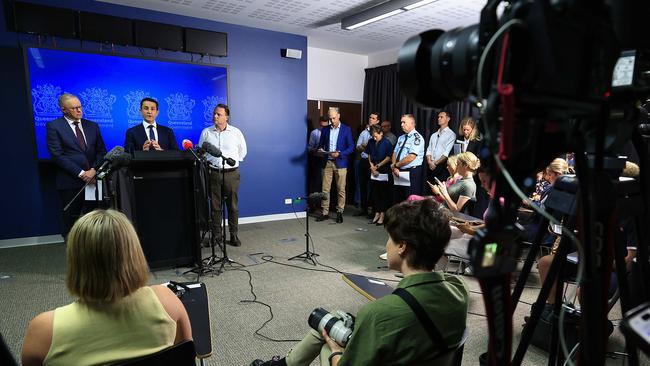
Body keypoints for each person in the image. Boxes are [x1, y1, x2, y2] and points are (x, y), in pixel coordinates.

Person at [251, 198, 468, 366]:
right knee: (335, 318)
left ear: (402, 246)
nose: (387, 245)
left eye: (390, 238)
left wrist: (335, 349)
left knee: (326, 334)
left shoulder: (379, 313)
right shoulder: (459, 290)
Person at [21, 210, 192, 366]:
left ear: (76, 260)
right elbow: (185, 357)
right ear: (135, 254)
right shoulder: (167, 301)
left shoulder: (43, 331)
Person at [46, 93, 107, 240]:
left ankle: (92, 246)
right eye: (74, 108)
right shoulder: (54, 126)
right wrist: (81, 173)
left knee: (93, 217)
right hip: (70, 181)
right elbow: (57, 156)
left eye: (80, 107)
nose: (79, 110)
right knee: (70, 219)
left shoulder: (92, 126)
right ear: (64, 110)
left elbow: (101, 151)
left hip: (93, 179)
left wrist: (93, 170)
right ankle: (72, 249)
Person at [198, 103, 247, 246]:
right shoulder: (206, 132)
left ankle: (233, 235)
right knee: (215, 207)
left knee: (232, 206)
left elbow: (242, 151)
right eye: (214, 113)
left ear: (226, 117)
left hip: (231, 174)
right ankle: (217, 237)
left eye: (219, 114)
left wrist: (231, 163)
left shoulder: (236, 132)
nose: (215, 116)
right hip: (213, 173)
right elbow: (202, 151)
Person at [316, 107, 354, 224]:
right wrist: (321, 150)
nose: (332, 120)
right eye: (330, 118)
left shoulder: (346, 129)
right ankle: (325, 212)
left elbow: (351, 147)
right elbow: (321, 145)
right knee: (325, 189)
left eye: (334, 118)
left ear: (339, 116)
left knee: (341, 189)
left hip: (341, 163)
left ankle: (339, 212)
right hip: (327, 162)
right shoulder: (325, 129)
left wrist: (340, 153)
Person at [391, 114, 425, 203]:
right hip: (398, 171)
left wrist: (395, 165)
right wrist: (395, 167)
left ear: (412, 123)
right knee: (398, 199)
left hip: (411, 172)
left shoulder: (417, 138)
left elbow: (411, 157)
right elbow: (395, 153)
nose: (401, 125)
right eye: (401, 122)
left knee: (410, 200)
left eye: (404, 122)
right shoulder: (401, 137)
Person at [354, 112, 380, 218]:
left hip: (374, 162)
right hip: (364, 161)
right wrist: (365, 145)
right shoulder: (364, 133)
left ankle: (373, 210)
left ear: (377, 121)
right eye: (370, 117)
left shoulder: (379, 132)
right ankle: (363, 208)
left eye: (373, 118)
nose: (371, 119)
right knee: (362, 185)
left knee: (373, 187)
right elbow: (358, 147)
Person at [366, 125, 392, 225]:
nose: (374, 138)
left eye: (376, 136)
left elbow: (388, 157)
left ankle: (382, 214)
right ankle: (376, 213)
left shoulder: (386, 142)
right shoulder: (371, 141)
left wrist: (377, 166)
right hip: (373, 169)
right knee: (375, 192)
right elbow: (369, 154)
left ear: (381, 133)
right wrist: (372, 166)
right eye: (373, 136)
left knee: (383, 193)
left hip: (383, 169)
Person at [425, 111, 456, 182]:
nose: (439, 119)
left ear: (448, 119)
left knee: (439, 190)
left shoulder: (451, 134)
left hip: (441, 167)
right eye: (438, 117)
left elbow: (446, 153)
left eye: (441, 117)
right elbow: (429, 150)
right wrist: (429, 162)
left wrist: (435, 163)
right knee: (429, 189)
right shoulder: (434, 135)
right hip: (430, 166)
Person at [308, 116, 330, 196]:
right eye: (322, 126)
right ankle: (315, 204)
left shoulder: (331, 132)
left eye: (325, 126)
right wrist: (317, 149)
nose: (323, 128)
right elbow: (309, 148)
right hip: (318, 159)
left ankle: (326, 203)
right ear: (319, 123)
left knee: (327, 183)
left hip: (329, 159)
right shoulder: (314, 133)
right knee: (317, 182)